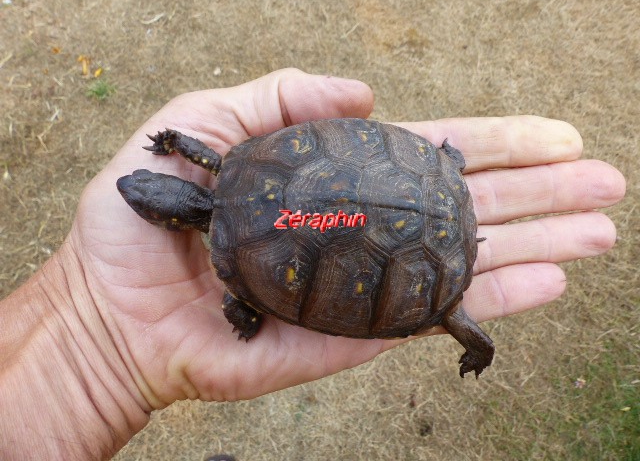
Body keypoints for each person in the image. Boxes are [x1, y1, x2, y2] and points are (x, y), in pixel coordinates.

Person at [0, 69, 626, 460]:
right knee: (438, 295)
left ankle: (472, 338)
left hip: (422, 208)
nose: (139, 192)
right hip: (431, 179)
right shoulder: (240, 163)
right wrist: (176, 145)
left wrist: (242, 316)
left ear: (173, 220)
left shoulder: (238, 265)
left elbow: (243, 303)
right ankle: (455, 240)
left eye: (144, 193)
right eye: (146, 191)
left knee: (446, 308)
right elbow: (201, 154)